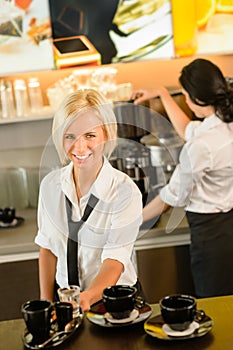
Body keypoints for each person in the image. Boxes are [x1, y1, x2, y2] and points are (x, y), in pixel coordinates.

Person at [131, 58, 233, 298]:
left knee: (213, 300)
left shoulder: (201, 145)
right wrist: (162, 94)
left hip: (211, 237)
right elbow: (188, 128)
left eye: (185, 96)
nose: (186, 102)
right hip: (228, 226)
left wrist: (132, 220)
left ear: (197, 99)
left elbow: (171, 196)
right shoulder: (222, 125)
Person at [35, 89, 142, 312]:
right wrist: (45, 304)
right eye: (70, 136)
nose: (80, 147)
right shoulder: (50, 186)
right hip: (67, 303)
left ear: (107, 135)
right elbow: (47, 249)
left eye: (90, 136)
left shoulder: (125, 192)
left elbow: (114, 261)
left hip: (113, 303)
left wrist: (87, 298)